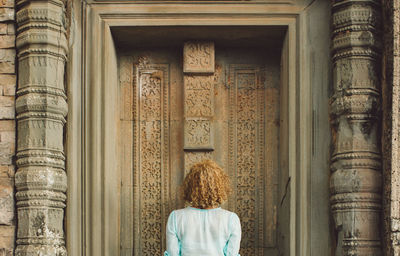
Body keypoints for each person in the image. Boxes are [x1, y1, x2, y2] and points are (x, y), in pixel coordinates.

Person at [164, 159, 241, 256]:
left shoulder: (175, 217)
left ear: (190, 186)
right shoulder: (231, 219)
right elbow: (231, 254)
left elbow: (172, 253)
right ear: (221, 186)